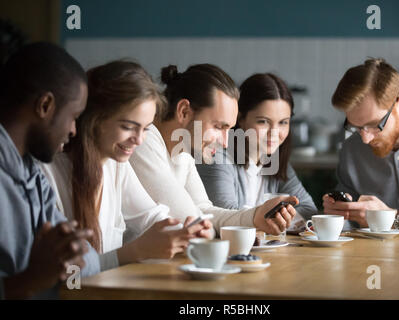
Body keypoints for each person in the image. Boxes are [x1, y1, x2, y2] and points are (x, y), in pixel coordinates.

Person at [40, 60, 211, 269]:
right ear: (95, 119)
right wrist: (135, 250)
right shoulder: (48, 172)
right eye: (128, 127)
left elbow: (150, 216)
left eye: (146, 128)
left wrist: (186, 231)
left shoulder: (116, 165)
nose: (139, 140)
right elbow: (68, 270)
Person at [130, 64, 299, 237]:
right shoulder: (143, 140)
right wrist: (211, 226)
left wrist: (256, 216)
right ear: (184, 111)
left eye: (229, 129)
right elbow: (198, 224)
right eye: (219, 127)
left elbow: (204, 211)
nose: (225, 143)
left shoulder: (183, 151)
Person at [0, 42, 100, 299]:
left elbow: (89, 261)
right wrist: (31, 279)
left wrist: (71, 254)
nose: (74, 130)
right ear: (45, 105)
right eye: (73, 116)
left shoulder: (31, 172)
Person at [322, 58, 399, 233]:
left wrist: (391, 219)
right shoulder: (351, 149)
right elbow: (352, 225)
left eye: (375, 125)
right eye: (357, 127)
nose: (365, 139)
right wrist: (339, 214)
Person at [196, 73, 317, 232]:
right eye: (263, 122)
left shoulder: (276, 163)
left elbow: (309, 211)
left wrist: (274, 217)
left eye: (283, 122)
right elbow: (226, 217)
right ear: (241, 118)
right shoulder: (217, 157)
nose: (274, 132)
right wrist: (276, 217)